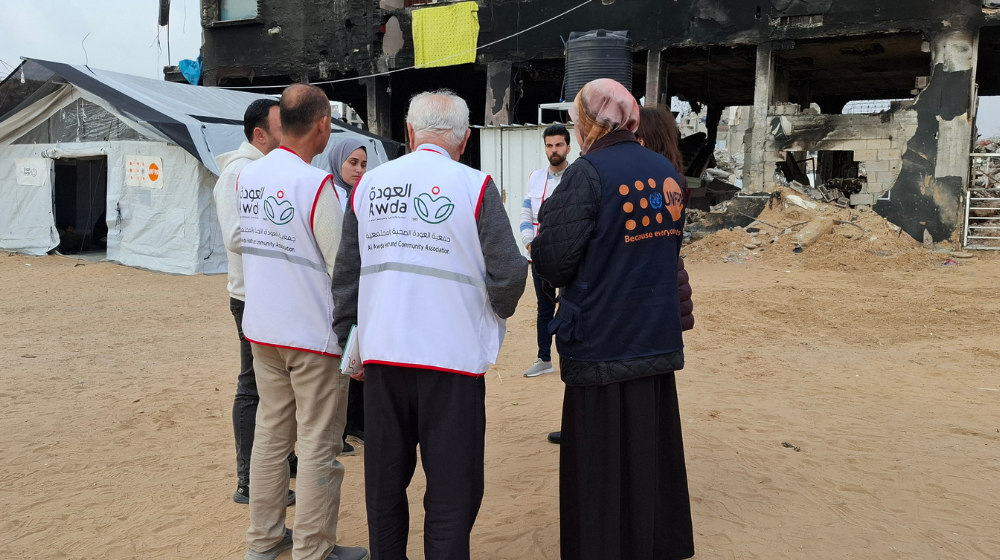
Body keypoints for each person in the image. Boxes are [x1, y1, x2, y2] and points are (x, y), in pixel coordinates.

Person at [332, 90, 527, 560]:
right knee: (452, 490)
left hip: (383, 359)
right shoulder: (475, 186)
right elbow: (511, 273)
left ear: (410, 132)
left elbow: (346, 277)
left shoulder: (368, 187)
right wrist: (490, 312)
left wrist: (349, 343)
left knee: (383, 485)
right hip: (451, 363)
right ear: (463, 142)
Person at [531, 79, 695, 560]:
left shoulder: (589, 173)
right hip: (654, 336)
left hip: (601, 340)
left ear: (590, 121)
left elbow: (553, 259)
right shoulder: (664, 169)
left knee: (598, 462)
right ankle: (651, 545)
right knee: (648, 451)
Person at [238, 84, 368, 560]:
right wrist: (357, 337)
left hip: (263, 329)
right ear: (322, 126)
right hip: (311, 337)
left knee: (271, 437)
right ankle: (314, 549)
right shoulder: (316, 186)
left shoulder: (250, 177)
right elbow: (343, 269)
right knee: (317, 444)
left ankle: (264, 540)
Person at [214, 98, 298, 507]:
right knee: (252, 386)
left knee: (280, 384)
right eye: (283, 126)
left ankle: (282, 460)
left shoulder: (266, 170)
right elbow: (234, 235)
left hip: (274, 293)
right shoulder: (238, 173)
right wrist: (292, 237)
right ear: (260, 133)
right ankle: (249, 478)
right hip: (250, 296)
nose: (290, 132)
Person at [327, 139, 369, 454]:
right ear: (338, 162)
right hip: (335, 290)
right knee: (338, 361)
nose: (358, 169)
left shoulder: (364, 196)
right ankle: (336, 433)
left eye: (363, 164)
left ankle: (355, 425)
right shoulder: (329, 196)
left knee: (355, 358)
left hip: (359, 288)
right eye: (352, 162)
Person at [519, 124, 571, 378]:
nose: (554, 150)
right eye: (549, 145)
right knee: (544, 307)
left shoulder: (578, 176)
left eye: (559, 144)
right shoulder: (536, 177)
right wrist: (529, 242)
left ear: (568, 147)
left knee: (573, 303)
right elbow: (526, 211)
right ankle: (544, 358)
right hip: (540, 254)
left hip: (572, 255)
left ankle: (574, 357)